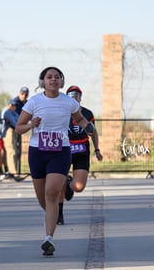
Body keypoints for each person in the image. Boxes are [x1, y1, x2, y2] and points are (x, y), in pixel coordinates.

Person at [15, 67, 96, 256]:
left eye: (57, 77)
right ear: (42, 81)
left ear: (61, 81)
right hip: (37, 152)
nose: (53, 80)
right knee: (43, 198)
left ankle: (48, 239)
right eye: (49, 77)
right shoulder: (34, 102)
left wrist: (88, 127)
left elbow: (80, 119)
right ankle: (50, 216)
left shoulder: (69, 102)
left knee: (51, 193)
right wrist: (30, 125)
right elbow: (19, 127)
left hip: (61, 151)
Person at [57, 85, 103, 225]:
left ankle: (70, 184)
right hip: (64, 149)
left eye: (77, 95)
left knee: (79, 187)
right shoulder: (61, 112)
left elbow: (93, 132)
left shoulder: (88, 114)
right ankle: (59, 214)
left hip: (82, 149)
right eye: (71, 95)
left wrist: (97, 150)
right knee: (59, 183)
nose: (74, 97)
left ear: (80, 98)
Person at [5, 86, 29, 176]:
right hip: (14, 128)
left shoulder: (26, 102)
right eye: (22, 94)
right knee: (13, 150)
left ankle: (17, 170)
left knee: (18, 150)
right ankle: (13, 171)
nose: (24, 96)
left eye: (26, 94)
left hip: (20, 128)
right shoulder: (16, 102)